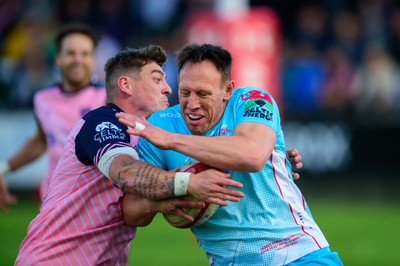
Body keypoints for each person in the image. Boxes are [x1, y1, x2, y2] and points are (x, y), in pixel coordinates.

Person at [15, 45, 245, 265]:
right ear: (126, 84)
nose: (168, 88)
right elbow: (126, 173)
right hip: (54, 259)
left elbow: (134, 211)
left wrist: (159, 203)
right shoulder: (102, 122)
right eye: (157, 79)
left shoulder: (146, 137)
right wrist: (189, 183)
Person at [117, 43, 343, 265]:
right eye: (185, 92)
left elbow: (252, 156)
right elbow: (131, 210)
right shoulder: (161, 124)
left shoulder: (252, 100)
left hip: (296, 253)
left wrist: (171, 141)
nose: (191, 104)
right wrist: (163, 199)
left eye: (203, 94)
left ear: (227, 90)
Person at [0, 23, 106, 209]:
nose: (78, 59)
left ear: (93, 60)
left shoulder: (108, 98)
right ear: (57, 59)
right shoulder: (43, 99)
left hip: (96, 203)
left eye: (85, 53)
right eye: (71, 53)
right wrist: (3, 169)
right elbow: (41, 141)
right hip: (53, 201)